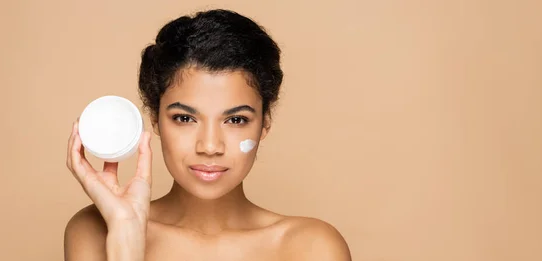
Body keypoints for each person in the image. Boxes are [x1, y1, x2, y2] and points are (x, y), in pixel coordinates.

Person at [64, 9, 351, 261]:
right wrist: (125, 234)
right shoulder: (95, 230)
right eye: (185, 118)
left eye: (236, 119)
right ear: (154, 118)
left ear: (265, 123)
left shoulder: (312, 246)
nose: (210, 146)